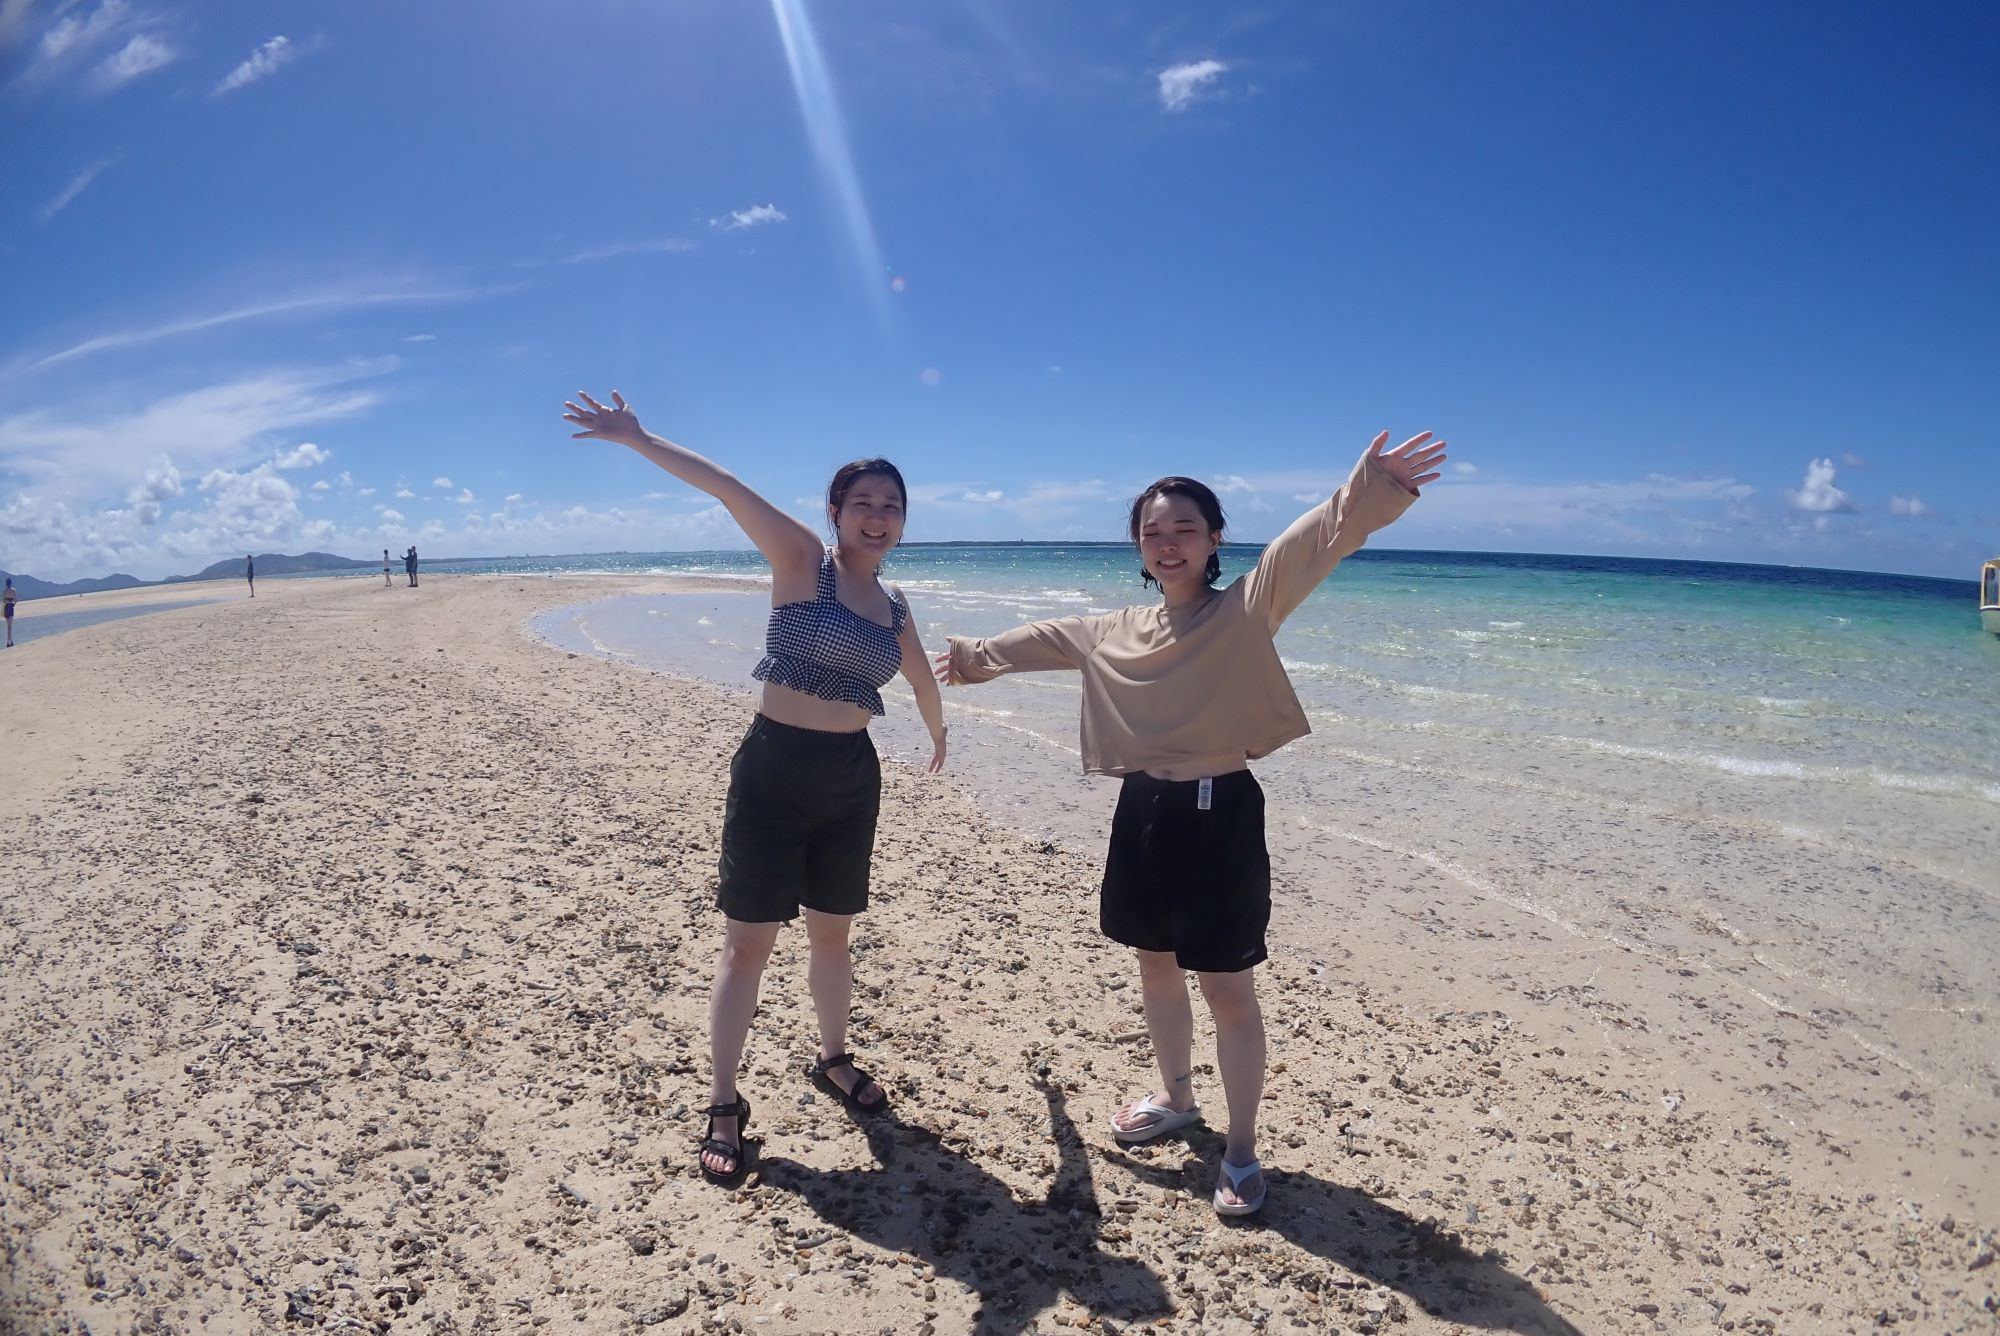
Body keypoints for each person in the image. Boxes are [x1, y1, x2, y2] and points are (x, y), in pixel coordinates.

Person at [935, 430, 1445, 1218]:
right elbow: (1042, 639)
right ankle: (1177, 1099)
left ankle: (1240, 1150)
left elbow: (1312, 544)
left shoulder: (1243, 609)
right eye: (1153, 531)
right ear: (1139, 546)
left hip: (1220, 814)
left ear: (1213, 540)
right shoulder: (1118, 628)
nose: (1168, 543)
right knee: (1155, 966)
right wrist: (971, 659)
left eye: (1184, 528)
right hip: (1144, 810)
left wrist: (1369, 487)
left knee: (1228, 990)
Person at [561, 388, 950, 1188]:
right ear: (837, 511)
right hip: (775, 769)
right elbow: (726, 488)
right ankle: (723, 1102)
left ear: (903, 520)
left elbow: (917, 675)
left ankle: (833, 1058)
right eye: (864, 503)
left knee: (833, 936)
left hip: (851, 778)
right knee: (747, 945)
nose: (878, 517)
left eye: (892, 506)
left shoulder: (895, 605)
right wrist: (639, 437)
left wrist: (940, 731)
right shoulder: (803, 561)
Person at [3, 577, 14, 647]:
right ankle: (8, 642)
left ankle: (10, 641)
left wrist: (7, 601)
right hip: (10, 607)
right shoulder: (13, 590)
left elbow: (3, 600)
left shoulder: (4, 591)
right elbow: (16, 600)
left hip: (6, 607)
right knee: (10, 626)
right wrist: (12, 604)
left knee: (8, 626)